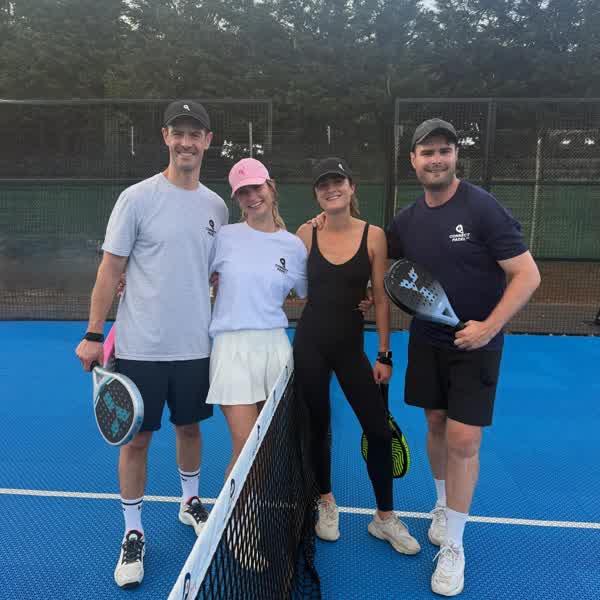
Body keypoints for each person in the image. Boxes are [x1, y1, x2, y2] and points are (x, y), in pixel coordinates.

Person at [75, 100, 229, 589]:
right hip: (140, 347)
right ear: (165, 137)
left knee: (190, 429)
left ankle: (190, 502)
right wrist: (94, 333)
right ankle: (134, 532)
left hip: (195, 347)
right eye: (178, 133)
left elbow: (214, 273)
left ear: (208, 141)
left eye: (195, 134)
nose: (186, 142)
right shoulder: (136, 198)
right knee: (137, 440)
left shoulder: (217, 207)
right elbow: (110, 269)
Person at [387, 118, 541, 596]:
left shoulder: (482, 208)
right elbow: (383, 260)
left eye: (444, 150)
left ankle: (453, 544)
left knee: (463, 440)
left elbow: (527, 275)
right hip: (427, 342)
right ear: (413, 160)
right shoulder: (407, 221)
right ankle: (441, 505)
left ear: (455, 156)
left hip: (478, 346)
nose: (436, 159)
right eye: (427, 152)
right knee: (435, 422)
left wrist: (488, 327)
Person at [293, 157, 421, 555]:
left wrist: (384, 354)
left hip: (351, 347)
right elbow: (287, 281)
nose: (331, 189)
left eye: (338, 182)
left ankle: (384, 517)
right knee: (318, 427)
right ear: (316, 193)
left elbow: (380, 297)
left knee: (379, 431)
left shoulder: (374, 236)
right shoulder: (305, 233)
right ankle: (325, 501)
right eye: (323, 184)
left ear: (351, 187)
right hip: (310, 343)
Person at [205, 157, 308, 478]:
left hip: (275, 348)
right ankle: (233, 512)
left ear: (271, 188)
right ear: (237, 199)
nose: (252, 197)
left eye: (256, 188)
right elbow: (191, 277)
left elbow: (309, 295)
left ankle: (254, 510)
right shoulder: (223, 237)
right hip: (231, 348)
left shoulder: (294, 246)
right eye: (243, 192)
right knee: (247, 448)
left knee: (266, 449)